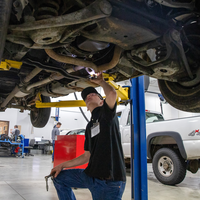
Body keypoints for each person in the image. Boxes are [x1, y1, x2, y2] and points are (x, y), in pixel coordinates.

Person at [50, 72, 126, 200]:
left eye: (94, 94)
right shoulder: (90, 126)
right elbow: (87, 156)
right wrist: (61, 165)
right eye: (86, 97)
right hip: (90, 176)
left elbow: (112, 94)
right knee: (58, 178)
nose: (89, 96)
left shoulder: (107, 115)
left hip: (108, 182)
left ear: (102, 101)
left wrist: (102, 82)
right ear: (86, 106)